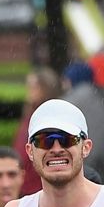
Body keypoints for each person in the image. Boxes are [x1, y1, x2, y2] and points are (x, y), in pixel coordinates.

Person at [13, 67, 63, 197]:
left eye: (33, 86)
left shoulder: (51, 118)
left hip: (38, 186)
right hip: (25, 183)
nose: (29, 91)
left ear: (45, 88)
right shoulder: (30, 114)